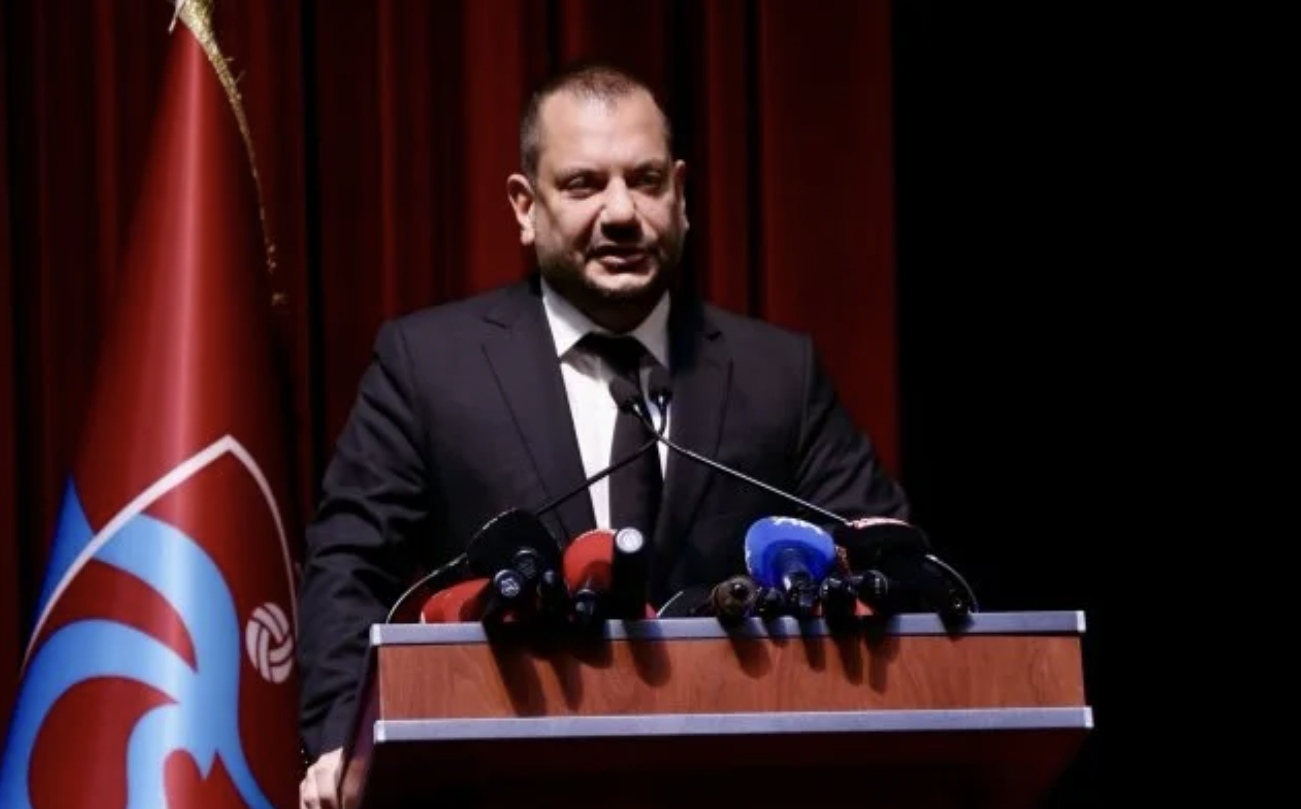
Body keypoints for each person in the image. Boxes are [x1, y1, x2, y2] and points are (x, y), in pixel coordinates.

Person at [296, 61, 909, 809]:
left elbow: (883, 557)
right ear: (526, 207)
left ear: (680, 195)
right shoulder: (429, 366)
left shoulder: (778, 373)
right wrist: (347, 742)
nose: (621, 212)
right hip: (503, 783)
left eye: (645, 181)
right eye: (584, 185)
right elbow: (349, 568)